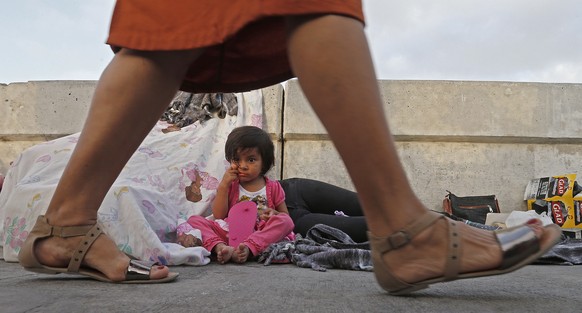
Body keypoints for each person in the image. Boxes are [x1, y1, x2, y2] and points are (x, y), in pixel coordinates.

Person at [17, 0, 561, 292]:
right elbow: (225, 220)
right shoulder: (230, 187)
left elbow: (280, 209)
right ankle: (402, 229)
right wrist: (235, 217)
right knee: (174, 20)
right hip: (280, 215)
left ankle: (66, 221)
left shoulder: (275, 183)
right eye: (236, 158)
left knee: (166, 19)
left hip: (290, 199)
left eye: (249, 158)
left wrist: (261, 209)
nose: (240, 164)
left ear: (265, 161)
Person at [181, 126, 294, 264]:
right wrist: (223, 186)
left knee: (285, 221)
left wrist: (274, 213)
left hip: (261, 232)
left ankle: (248, 248)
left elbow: (286, 217)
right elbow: (219, 215)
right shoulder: (232, 185)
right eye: (237, 160)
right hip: (231, 232)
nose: (243, 166)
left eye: (251, 160)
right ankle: (221, 247)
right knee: (194, 220)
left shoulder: (273, 187)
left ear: (264, 161)